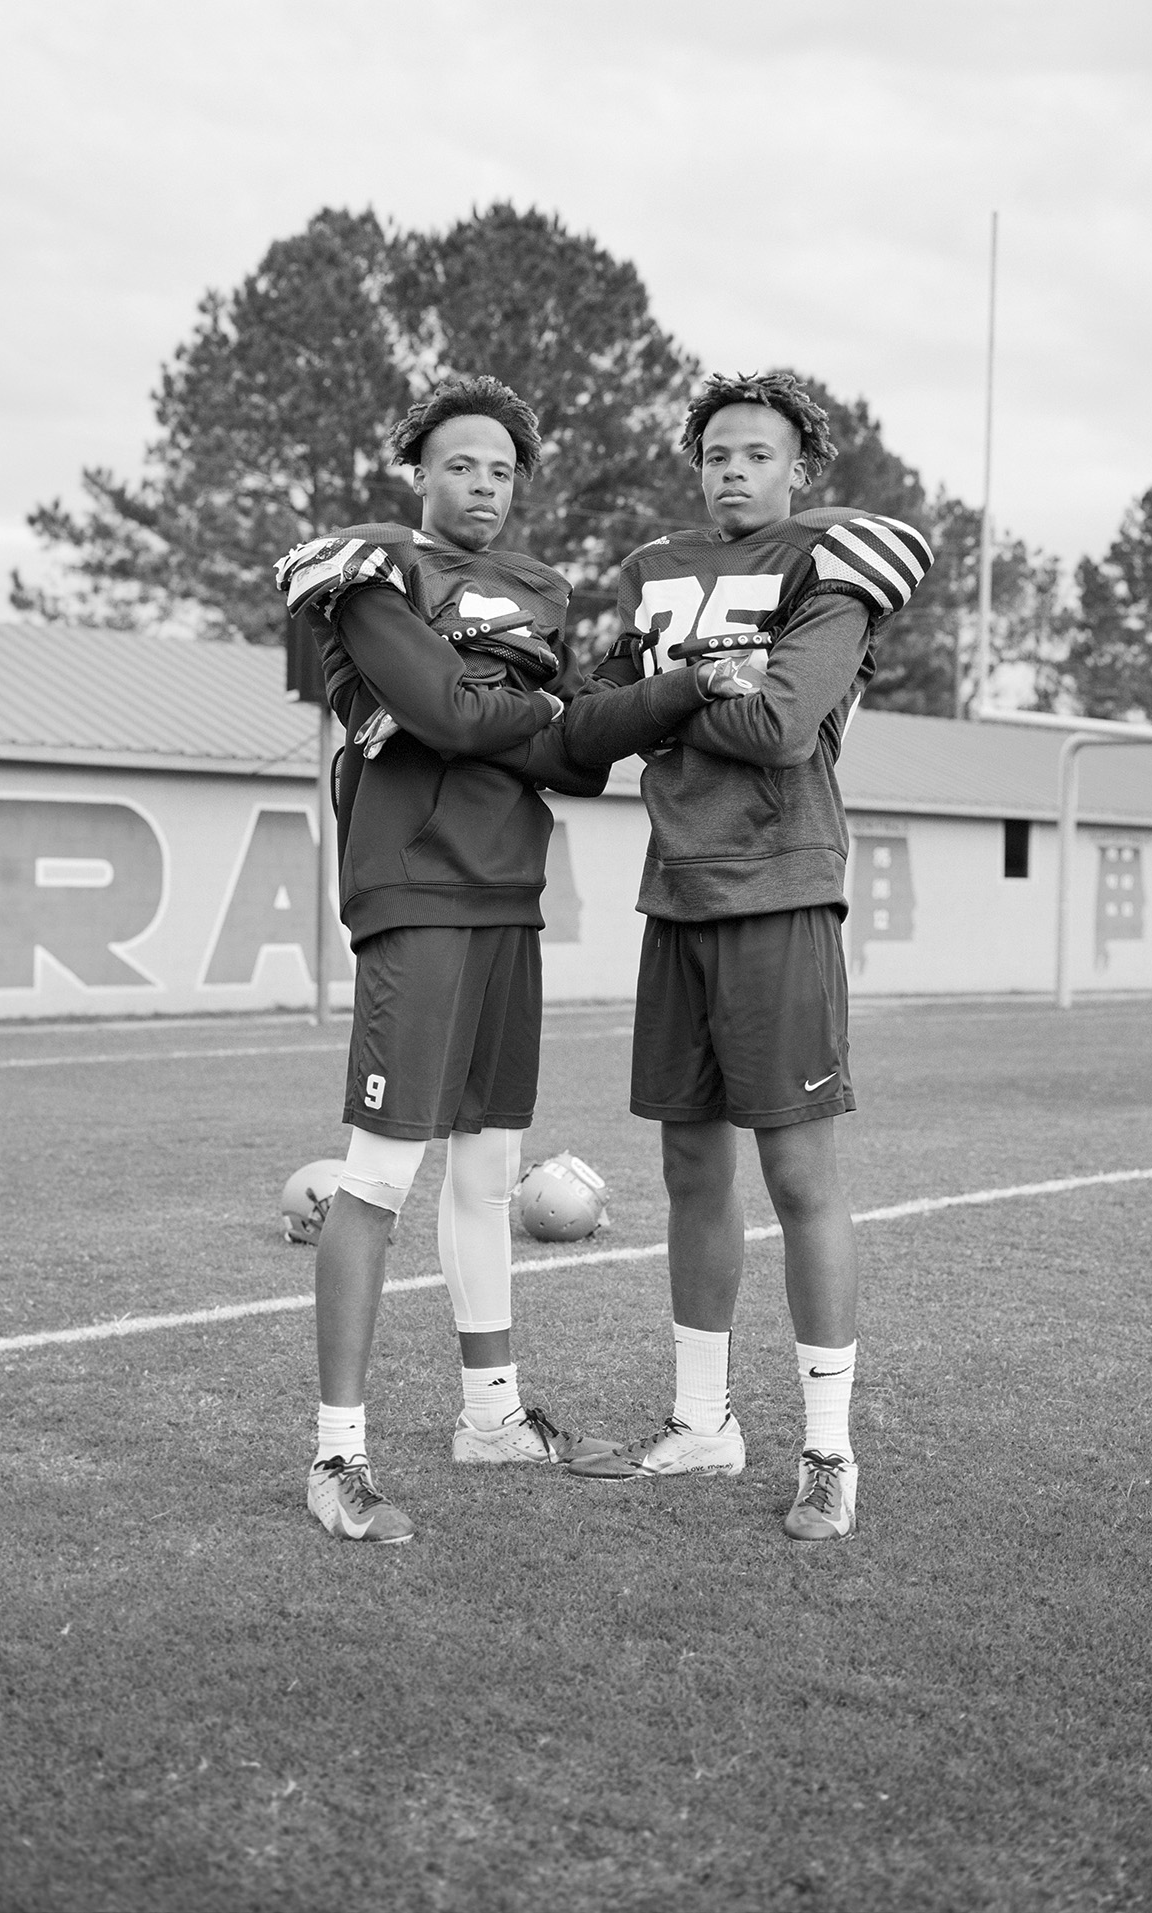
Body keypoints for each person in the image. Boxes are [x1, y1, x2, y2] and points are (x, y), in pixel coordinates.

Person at [273, 375, 755, 1545]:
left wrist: (678, 690)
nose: (482, 485)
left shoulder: (539, 588)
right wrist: (526, 706)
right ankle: (335, 1458)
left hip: (508, 894)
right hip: (417, 889)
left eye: (501, 470)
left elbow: (578, 752)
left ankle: (490, 1414)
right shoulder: (370, 570)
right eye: (461, 465)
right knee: (379, 1174)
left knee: (488, 1173)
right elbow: (445, 710)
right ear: (420, 473)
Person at [560, 371, 932, 1542]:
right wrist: (692, 681)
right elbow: (584, 725)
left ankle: (830, 1452)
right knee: (688, 1169)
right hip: (676, 895)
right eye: (717, 451)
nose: (733, 469)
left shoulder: (828, 570)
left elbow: (778, 729)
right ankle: (702, 1422)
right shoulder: (658, 570)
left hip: (779, 892)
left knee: (800, 1178)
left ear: (799, 472)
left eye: (758, 453)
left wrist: (662, 698)